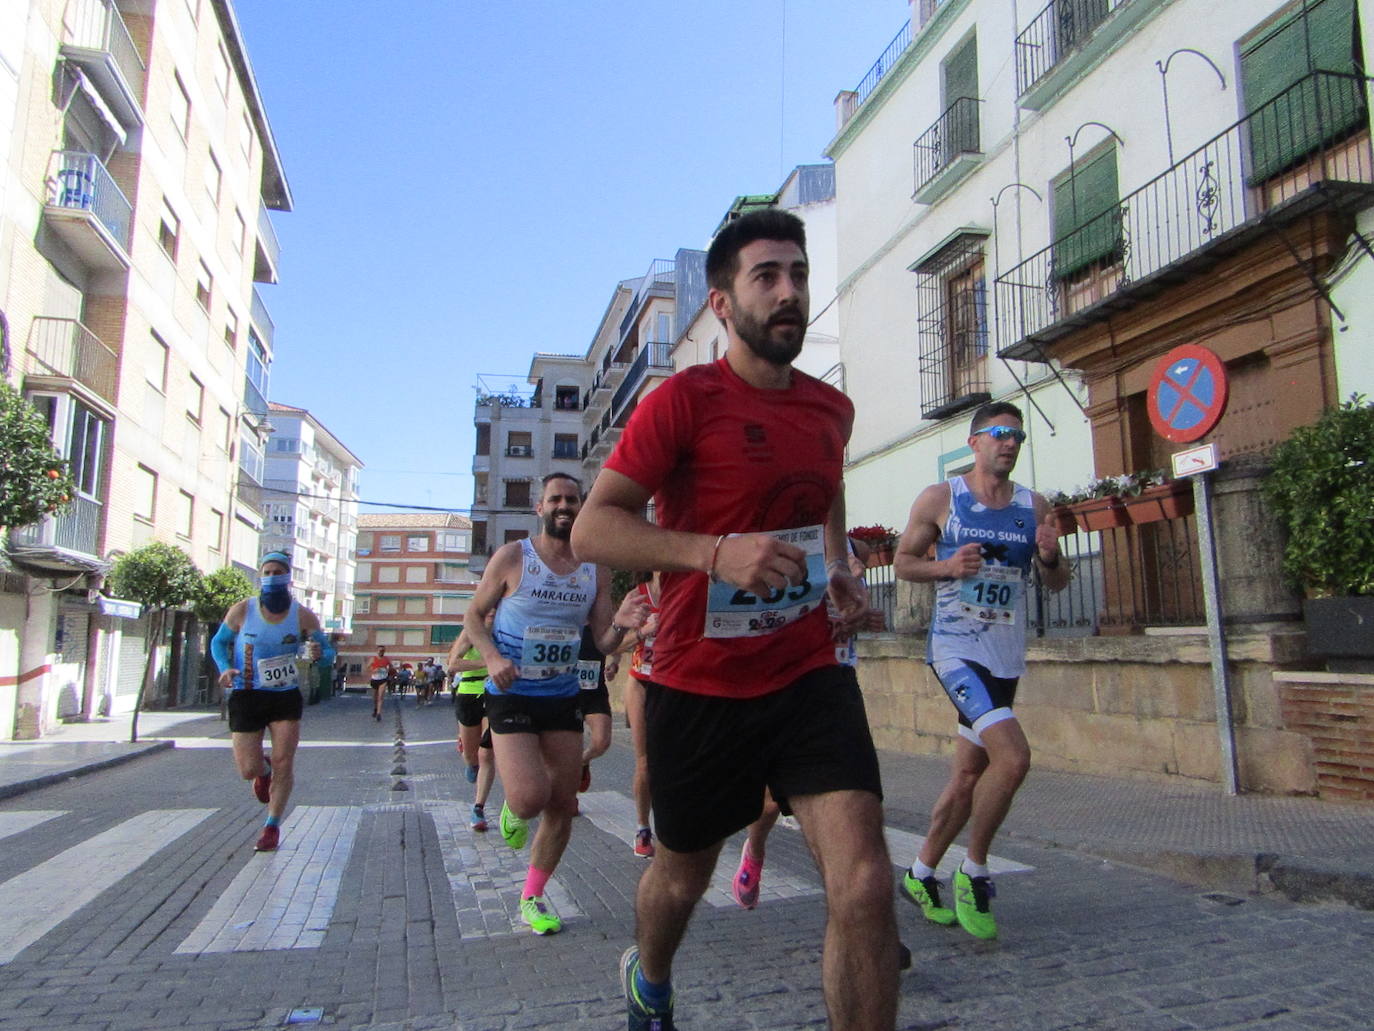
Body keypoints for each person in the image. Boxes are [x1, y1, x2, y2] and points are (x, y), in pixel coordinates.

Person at [572, 209, 898, 1031]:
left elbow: (823, 486)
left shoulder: (832, 410)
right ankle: (649, 974)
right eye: (767, 276)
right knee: (683, 877)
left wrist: (841, 566)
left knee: (862, 880)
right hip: (699, 683)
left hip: (807, 671)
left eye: (798, 274)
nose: (789, 292)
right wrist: (717, 554)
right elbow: (594, 527)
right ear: (722, 303)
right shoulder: (682, 403)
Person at [892, 400, 1070, 940]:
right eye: (999, 434)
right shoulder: (943, 499)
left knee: (970, 774)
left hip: (1004, 656)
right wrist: (946, 566)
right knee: (1013, 759)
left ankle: (920, 873)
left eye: (1017, 436)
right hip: (955, 650)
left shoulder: (1032, 506)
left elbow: (1057, 584)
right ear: (975, 442)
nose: (1010, 443)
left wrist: (1049, 556)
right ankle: (975, 870)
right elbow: (901, 561)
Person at [462, 472, 650, 937]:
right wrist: (491, 655)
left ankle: (533, 895)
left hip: (563, 695)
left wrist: (624, 625)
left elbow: (604, 640)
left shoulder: (595, 569)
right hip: (512, 692)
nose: (565, 506)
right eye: (556, 499)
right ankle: (511, 808)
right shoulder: (512, 558)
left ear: (582, 507)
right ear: (540, 508)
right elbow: (473, 613)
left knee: (563, 804)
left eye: (573, 500)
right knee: (529, 800)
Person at [732, 536, 886, 909]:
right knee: (770, 802)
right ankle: (754, 848)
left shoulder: (852, 550)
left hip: (837, 680)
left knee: (855, 808)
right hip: (787, 681)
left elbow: (858, 615)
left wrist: (858, 619)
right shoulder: (784, 538)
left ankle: (865, 924)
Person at [210, 552, 335, 852]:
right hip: (246, 693)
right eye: (266, 571)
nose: (271, 576)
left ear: (288, 577)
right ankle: (262, 774)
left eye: (277, 571)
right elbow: (218, 642)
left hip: (285, 696)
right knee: (248, 768)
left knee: (284, 761)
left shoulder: (303, 615)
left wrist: (320, 655)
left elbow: (328, 654)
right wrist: (224, 667)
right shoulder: (242, 611)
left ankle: (272, 826)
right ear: (260, 575)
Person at [618, 572, 661, 858]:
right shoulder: (638, 595)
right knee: (645, 762)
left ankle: (674, 821)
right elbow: (614, 643)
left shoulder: (688, 592)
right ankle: (643, 827)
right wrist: (644, 631)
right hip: (641, 682)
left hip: (674, 684)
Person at [447, 616, 497, 831]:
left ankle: (478, 808)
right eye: (489, 611)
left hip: (494, 693)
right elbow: (454, 665)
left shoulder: (504, 632)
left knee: (486, 754)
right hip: (468, 692)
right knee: (472, 755)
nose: (493, 615)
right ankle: (469, 760)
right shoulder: (470, 633)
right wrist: (488, 661)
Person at [575, 625, 613, 807]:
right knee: (567, 749)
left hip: (594, 691)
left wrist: (615, 663)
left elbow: (617, 642)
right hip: (567, 692)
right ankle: (570, 797)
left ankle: (582, 761)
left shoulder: (603, 619)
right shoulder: (567, 617)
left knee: (602, 742)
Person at [366, 646, 392, 720]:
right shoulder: (373, 659)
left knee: (380, 697)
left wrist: (388, 670)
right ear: (377, 651)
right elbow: (367, 667)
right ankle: (375, 708)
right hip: (375, 679)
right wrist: (373, 670)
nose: (381, 652)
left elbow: (391, 666)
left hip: (383, 679)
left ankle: (378, 713)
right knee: (375, 697)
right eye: (380, 651)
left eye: (383, 651)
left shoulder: (386, 659)